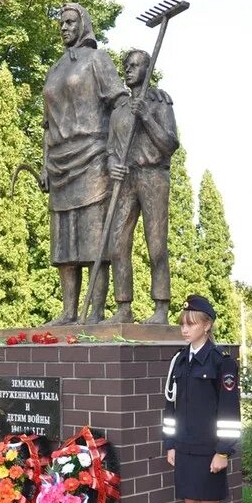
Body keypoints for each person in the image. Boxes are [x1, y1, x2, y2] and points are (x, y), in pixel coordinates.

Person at [40, 3, 128, 324]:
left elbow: (120, 102)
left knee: (94, 239)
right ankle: (68, 312)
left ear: (83, 24)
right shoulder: (54, 68)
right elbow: (47, 125)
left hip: (93, 157)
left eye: (70, 22)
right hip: (60, 163)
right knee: (64, 241)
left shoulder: (97, 60)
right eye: (61, 23)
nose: (64, 27)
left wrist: (118, 151)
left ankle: (96, 312)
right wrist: (44, 164)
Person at [162, 295, 242, 503]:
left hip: (209, 452)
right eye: (183, 323)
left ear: (207, 326)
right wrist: (170, 444)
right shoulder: (179, 361)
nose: (185, 329)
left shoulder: (222, 363)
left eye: (191, 324)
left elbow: (230, 413)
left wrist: (223, 452)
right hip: (183, 449)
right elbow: (170, 409)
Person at [105, 49, 179, 324]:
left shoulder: (160, 103)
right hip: (126, 179)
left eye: (136, 65)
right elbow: (110, 149)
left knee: (156, 243)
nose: (130, 69)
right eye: (127, 65)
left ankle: (161, 307)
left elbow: (170, 145)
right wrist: (112, 164)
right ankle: (124, 307)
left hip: (154, 176)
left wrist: (147, 116)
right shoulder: (119, 111)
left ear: (148, 70)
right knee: (117, 243)